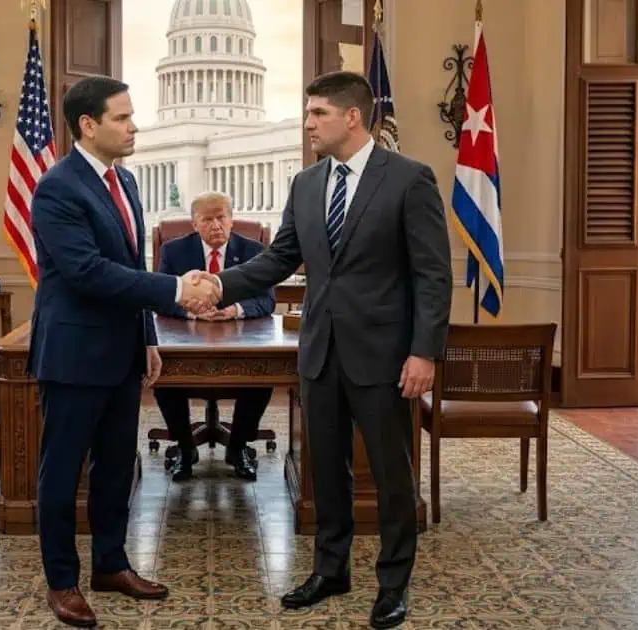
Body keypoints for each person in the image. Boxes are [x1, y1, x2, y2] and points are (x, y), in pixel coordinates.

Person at [188, 71, 451, 629]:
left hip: (384, 357)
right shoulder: (306, 184)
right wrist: (219, 285)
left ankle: (393, 584)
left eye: (317, 114)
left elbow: (433, 275)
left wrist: (424, 352)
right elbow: (278, 258)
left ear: (351, 116)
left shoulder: (409, 179)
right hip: (320, 353)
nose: (307, 124)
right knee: (326, 472)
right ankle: (331, 571)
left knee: (391, 475)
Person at [27, 75, 219, 628]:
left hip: (122, 352)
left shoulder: (126, 181)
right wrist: (177, 289)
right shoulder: (58, 188)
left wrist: (148, 338)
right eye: (122, 117)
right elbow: (87, 272)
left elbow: (132, 268)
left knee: (116, 467)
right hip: (74, 355)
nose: (134, 126)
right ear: (88, 125)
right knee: (63, 472)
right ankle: (62, 581)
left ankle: (111, 564)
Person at [153, 191, 275, 482]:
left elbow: (267, 300)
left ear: (232, 220)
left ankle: (238, 447)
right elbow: (161, 299)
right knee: (163, 374)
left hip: (240, 340)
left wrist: (235, 310)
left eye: (222, 217)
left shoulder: (254, 251)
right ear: (194, 224)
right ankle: (185, 448)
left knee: (263, 373)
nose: (216, 225)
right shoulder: (173, 251)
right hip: (187, 340)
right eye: (207, 219)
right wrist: (193, 312)